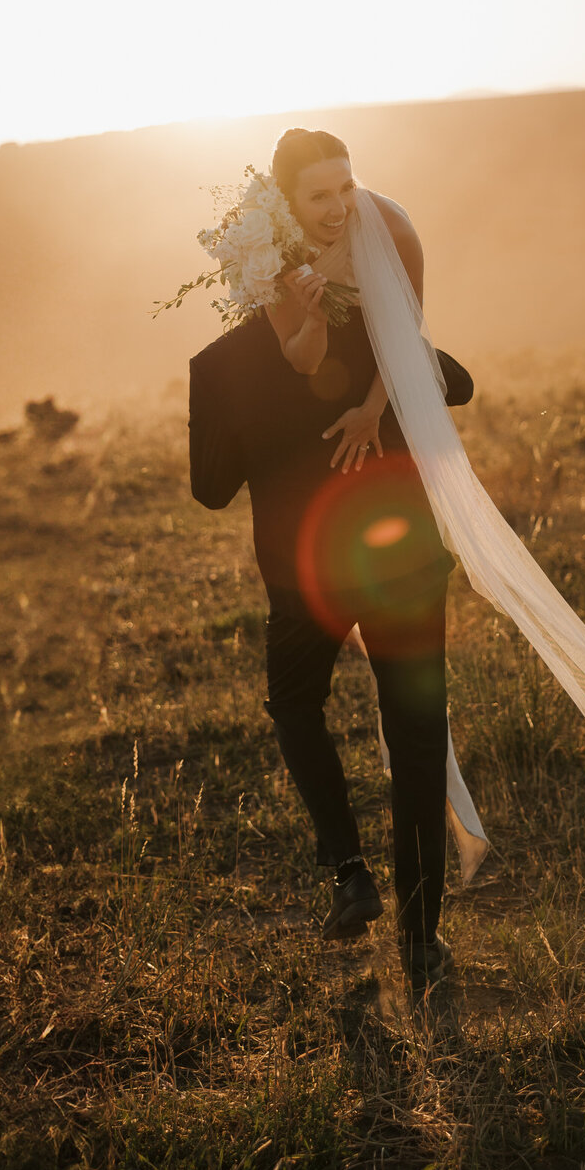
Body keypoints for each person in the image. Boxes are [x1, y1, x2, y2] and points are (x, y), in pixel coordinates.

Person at [188, 127, 470, 996]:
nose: (342, 205)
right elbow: (443, 375)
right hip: (383, 554)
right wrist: (311, 322)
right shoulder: (303, 297)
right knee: (393, 727)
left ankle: (374, 894)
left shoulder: (384, 242)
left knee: (323, 710)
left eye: (345, 186)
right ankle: (385, 905)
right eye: (322, 195)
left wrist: (364, 399)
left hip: (316, 560)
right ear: (282, 212)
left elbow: (415, 347)